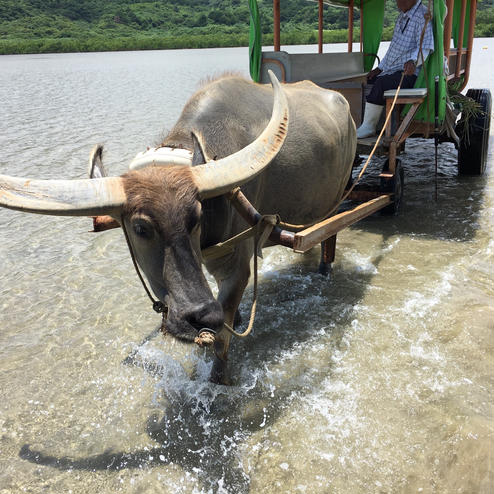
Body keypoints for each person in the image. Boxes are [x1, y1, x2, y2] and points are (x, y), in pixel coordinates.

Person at [356, 0, 434, 138]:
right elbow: (394, 49)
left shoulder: (423, 15)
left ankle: (369, 127)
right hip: (394, 69)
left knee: (382, 83)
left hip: (411, 74)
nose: (397, 1)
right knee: (371, 80)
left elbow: (425, 47)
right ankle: (376, 125)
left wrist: (414, 62)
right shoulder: (402, 16)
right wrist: (379, 68)